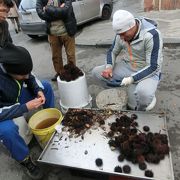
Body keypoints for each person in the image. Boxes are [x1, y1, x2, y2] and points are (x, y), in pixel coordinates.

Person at [0, 43, 55, 179]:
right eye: (22, 75)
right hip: (3, 108)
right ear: (10, 72)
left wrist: (39, 91)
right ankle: (25, 160)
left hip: (15, 97)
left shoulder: (13, 62)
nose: (26, 77)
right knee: (7, 131)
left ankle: (53, 125)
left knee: (46, 87)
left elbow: (30, 76)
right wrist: (25, 107)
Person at [92, 10, 163, 111]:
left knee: (143, 94)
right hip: (128, 66)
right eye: (119, 34)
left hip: (148, 70)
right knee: (96, 72)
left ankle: (140, 110)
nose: (121, 38)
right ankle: (120, 94)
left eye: (123, 34)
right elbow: (112, 51)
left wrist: (131, 79)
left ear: (132, 26)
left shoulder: (152, 35)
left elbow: (153, 66)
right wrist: (109, 68)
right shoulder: (121, 34)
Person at [36, 0, 77, 81]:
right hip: (52, 33)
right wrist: (59, 11)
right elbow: (40, 14)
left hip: (67, 31)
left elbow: (66, 10)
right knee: (56, 56)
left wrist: (47, 9)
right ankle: (60, 73)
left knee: (70, 55)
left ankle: (72, 72)